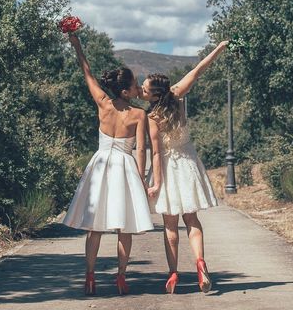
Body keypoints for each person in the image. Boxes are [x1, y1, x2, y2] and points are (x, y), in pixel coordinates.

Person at [62, 33, 157, 296]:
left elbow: (87, 72)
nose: (138, 88)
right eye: (135, 85)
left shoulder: (103, 104)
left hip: (101, 164)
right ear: (125, 91)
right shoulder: (139, 114)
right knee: (123, 227)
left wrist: (77, 44)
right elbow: (140, 150)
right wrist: (140, 177)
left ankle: (90, 277)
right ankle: (121, 277)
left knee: (94, 227)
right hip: (124, 167)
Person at [139, 40, 229, 294]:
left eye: (145, 89)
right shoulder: (177, 95)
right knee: (192, 220)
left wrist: (155, 183)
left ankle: (173, 273)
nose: (142, 92)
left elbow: (156, 152)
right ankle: (201, 264)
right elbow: (200, 68)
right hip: (188, 164)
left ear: (154, 94)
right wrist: (220, 47)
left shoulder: (152, 117)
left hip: (168, 168)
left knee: (170, 225)